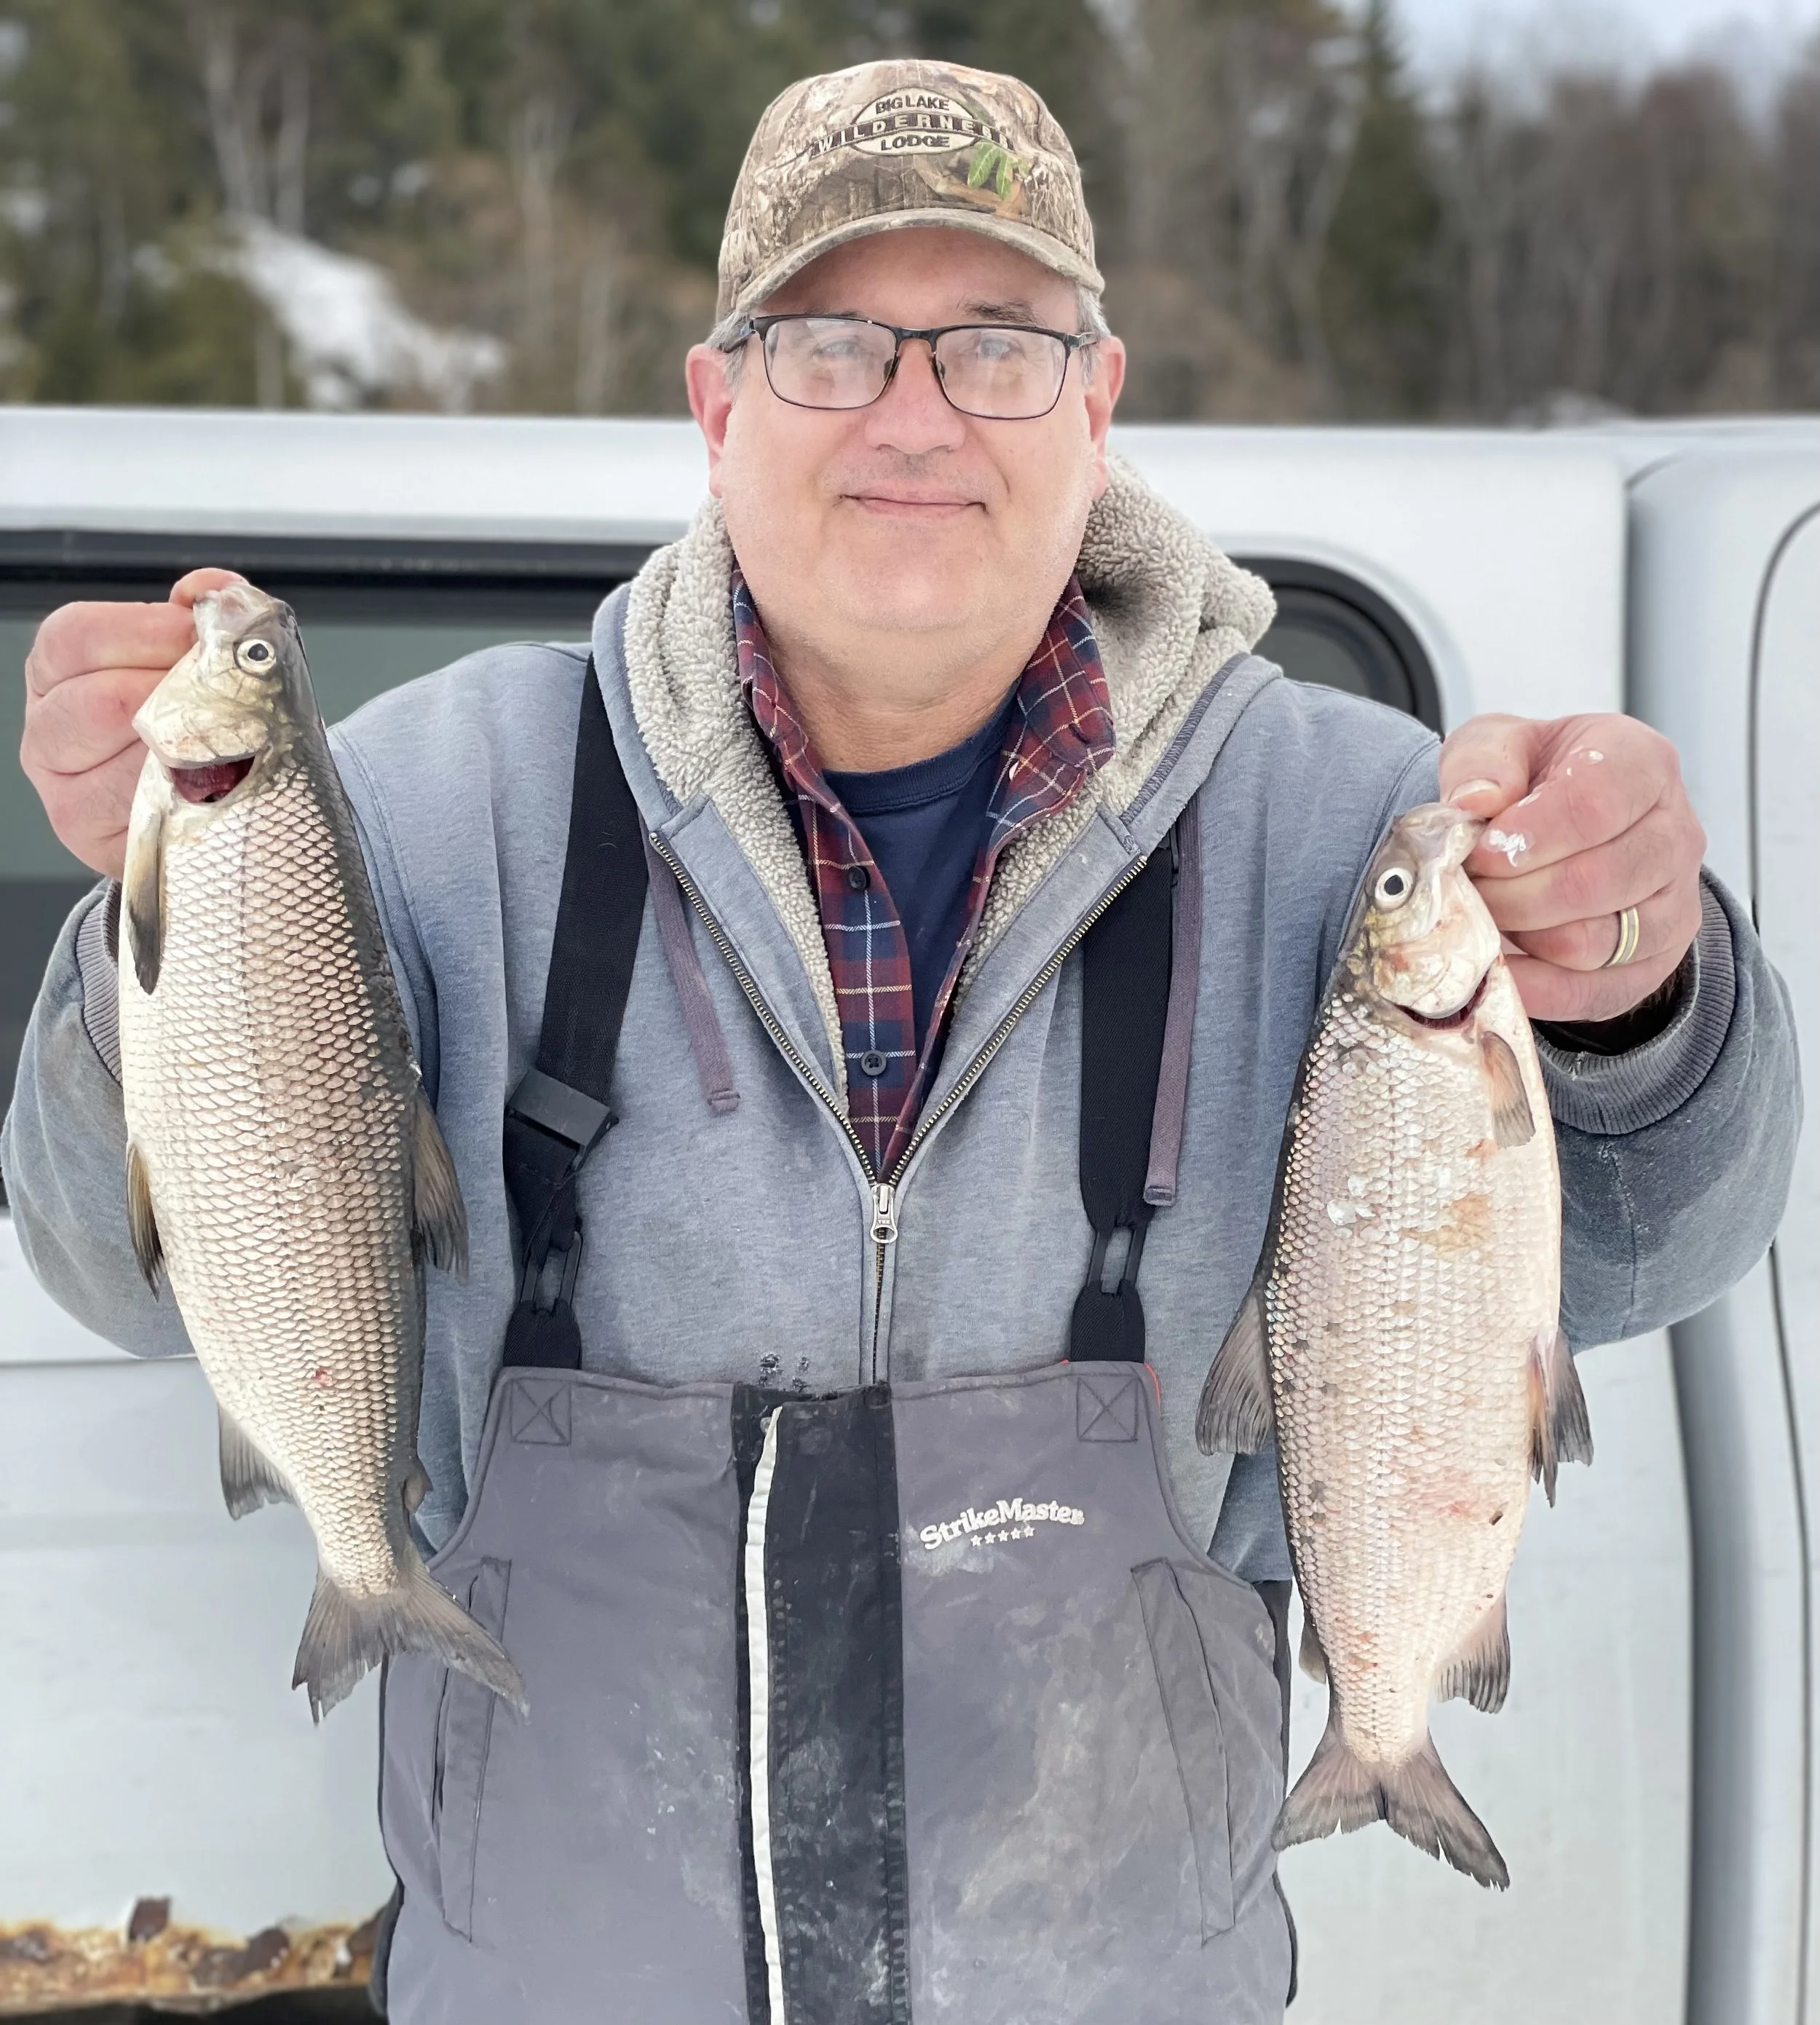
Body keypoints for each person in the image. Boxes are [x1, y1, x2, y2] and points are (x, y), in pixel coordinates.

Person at [6, 57, 1797, 2025]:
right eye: (832, 342)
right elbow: (118, 1264)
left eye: (999, 345)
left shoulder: (1344, 820)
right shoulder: (433, 799)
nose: (917, 413)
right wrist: (155, 918)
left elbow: (1654, 1246)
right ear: (718, 405)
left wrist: (1631, 984)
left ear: (1097, 403)